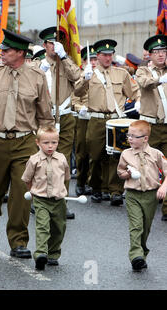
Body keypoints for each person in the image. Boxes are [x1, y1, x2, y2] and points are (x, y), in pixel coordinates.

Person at [0, 29, 54, 258]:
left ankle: (18, 240)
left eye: (6, 50)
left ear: (20, 53)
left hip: (25, 141)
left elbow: (45, 115)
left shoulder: (37, 77)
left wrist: (47, 142)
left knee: (22, 192)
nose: (1, 53)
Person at [74, 39, 140, 206]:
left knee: (116, 157)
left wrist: (138, 101)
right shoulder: (89, 73)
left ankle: (115, 191)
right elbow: (77, 92)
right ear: (97, 56)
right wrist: (85, 79)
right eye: (104, 55)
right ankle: (96, 187)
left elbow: (134, 92)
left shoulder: (122, 73)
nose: (107, 58)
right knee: (95, 156)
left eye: (110, 54)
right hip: (96, 119)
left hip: (117, 119)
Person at [38, 26, 81, 219]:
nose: (54, 47)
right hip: (45, 117)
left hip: (65, 116)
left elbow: (77, 78)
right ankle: (39, 199)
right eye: (50, 43)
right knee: (42, 160)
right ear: (44, 45)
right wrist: (40, 71)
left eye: (57, 43)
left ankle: (62, 201)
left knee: (62, 161)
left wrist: (64, 57)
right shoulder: (38, 64)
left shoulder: (66, 62)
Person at [117, 120, 167, 271]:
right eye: (128, 135)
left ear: (145, 138)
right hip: (132, 194)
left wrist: (163, 187)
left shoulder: (156, 154)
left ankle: (142, 253)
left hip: (151, 195)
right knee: (136, 226)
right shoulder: (125, 154)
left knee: (145, 227)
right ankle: (135, 256)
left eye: (134, 136)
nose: (130, 138)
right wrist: (128, 173)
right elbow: (120, 173)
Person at [21, 125, 70, 270]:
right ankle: (41, 254)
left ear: (58, 142)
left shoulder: (61, 159)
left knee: (58, 228)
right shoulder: (34, 160)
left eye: (54, 143)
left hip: (59, 200)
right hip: (41, 199)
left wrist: (62, 192)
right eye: (46, 143)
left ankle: (53, 254)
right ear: (38, 143)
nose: (50, 146)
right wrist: (33, 192)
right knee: (43, 226)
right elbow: (27, 179)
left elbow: (66, 178)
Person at [134, 34, 167, 221]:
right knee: (149, 167)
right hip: (151, 127)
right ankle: (147, 203)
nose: (161, 55)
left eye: (164, 51)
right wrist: (160, 80)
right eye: (157, 52)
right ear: (150, 55)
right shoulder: (142, 71)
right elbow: (145, 84)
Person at [71, 46, 97, 196]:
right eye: (90, 60)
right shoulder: (79, 76)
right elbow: (74, 99)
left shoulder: (102, 76)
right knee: (82, 153)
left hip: (98, 117)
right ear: (84, 61)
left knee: (98, 153)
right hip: (84, 118)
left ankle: (93, 183)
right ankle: (80, 182)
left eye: (95, 59)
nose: (93, 62)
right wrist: (80, 107)